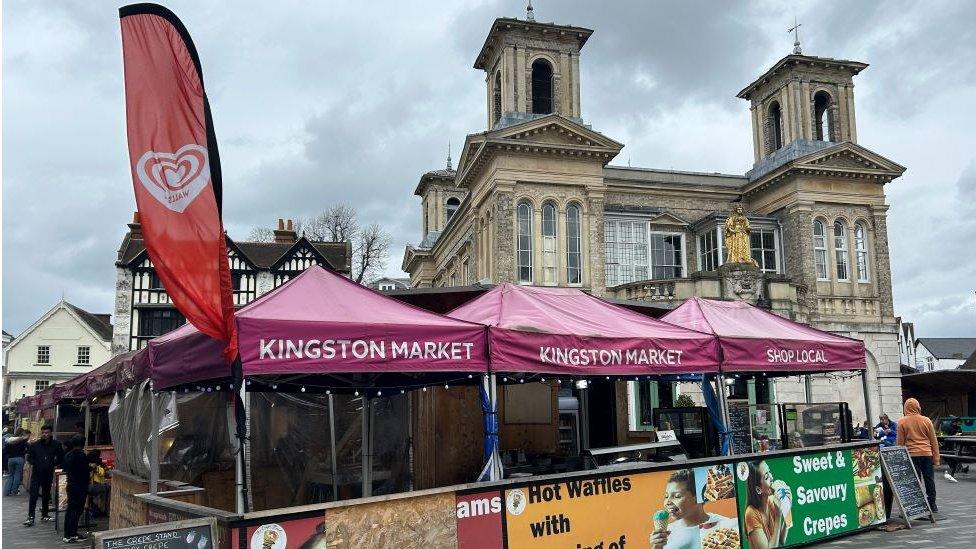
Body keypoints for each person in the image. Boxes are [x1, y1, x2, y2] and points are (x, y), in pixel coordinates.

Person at [649, 468, 735, 549]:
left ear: (697, 497)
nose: (667, 502)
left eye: (677, 496)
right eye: (666, 496)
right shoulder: (666, 534)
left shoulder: (726, 525)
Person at [895, 398, 940, 512]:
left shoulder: (901, 422)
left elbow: (900, 443)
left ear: (905, 408)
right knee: (929, 479)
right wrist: (936, 459)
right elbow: (933, 441)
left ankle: (918, 506)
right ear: (918, 407)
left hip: (911, 455)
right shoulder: (926, 420)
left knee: (915, 481)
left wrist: (899, 459)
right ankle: (932, 505)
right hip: (927, 454)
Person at [743, 461, 791, 549]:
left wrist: (787, 507)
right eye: (766, 477)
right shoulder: (751, 513)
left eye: (769, 472)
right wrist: (778, 515)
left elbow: (782, 540)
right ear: (758, 489)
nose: (772, 478)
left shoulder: (772, 500)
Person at [24, 424, 63, 526]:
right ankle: (31, 516)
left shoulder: (56, 444)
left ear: (51, 433)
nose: (45, 435)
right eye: (43, 433)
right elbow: (29, 457)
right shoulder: (35, 445)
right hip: (37, 473)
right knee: (34, 494)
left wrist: (53, 464)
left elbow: (60, 456)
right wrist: (36, 463)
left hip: (48, 472)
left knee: (46, 494)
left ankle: (45, 514)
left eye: (47, 433)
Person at [61, 435, 90, 543]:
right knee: (76, 510)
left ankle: (69, 533)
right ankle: (71, 534)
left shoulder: (68, 455)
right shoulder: (81, 456)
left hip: (71, 485)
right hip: (79, 486)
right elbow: (84, 471)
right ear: (82, 444)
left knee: (71, 510)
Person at [3, 428, 30, 496]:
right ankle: (14, 491)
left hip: (10, 459)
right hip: (20, 458)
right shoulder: (23, 441)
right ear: (22, 433)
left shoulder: (10, 440)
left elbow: (5, 450)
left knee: (10, 475)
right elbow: (28, 448)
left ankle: (6, 492)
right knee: (17, 475)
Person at [87, 449, 109, 516]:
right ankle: (102, 510)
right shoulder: (95, 466)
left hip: (85, 486)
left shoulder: (85, 463)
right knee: (107, 488)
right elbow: (102, 473)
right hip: (92, 487)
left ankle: (94, 507)